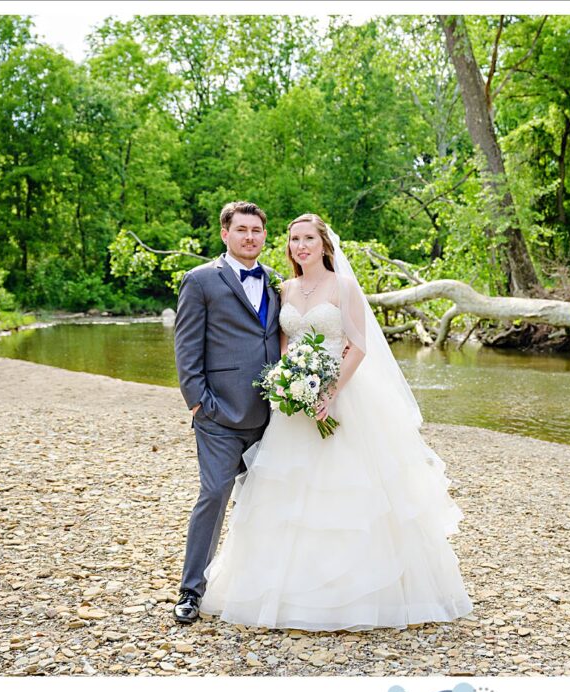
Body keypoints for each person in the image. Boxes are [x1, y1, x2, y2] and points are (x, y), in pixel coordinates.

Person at [199, 213, 473, 631]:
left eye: (308, 238)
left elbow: (358, 347)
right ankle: (284, 592)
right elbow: (285, 344)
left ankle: (355, 597)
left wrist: (328, 393)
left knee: (349, 492)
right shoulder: (285, 287)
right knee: (286, 495)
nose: (300, 246)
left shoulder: (344, 287)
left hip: (340, 399)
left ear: (324, 244)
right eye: (294, 239)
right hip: (294, 406)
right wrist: (289, 388)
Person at [172, 201, 283, 624]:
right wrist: (200, 402)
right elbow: (186, 348)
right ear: (225, 234)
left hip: (273, 415)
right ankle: (190, 590)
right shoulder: (201, 280)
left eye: (257, 230)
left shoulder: (276, 281)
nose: (250, 237)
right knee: (214, 495)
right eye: (242, 230)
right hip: (218, 414)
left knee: (268, 501)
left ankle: (261, 587)